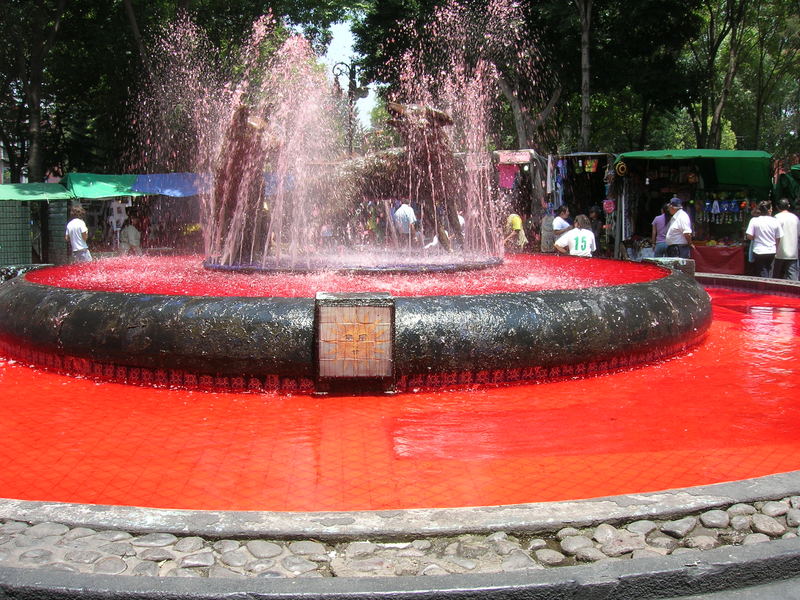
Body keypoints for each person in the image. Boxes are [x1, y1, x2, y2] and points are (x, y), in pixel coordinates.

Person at [746, 201, 783, 278]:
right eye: (771, 208)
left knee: (761, 271)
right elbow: (778, 237)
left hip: (759, 250)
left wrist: (757, 237)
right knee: (769, 271)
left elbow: (749, 236)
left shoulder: (754, 220)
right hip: (771, 250)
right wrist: (776, 249)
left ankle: (764, 287)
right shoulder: (775, 221)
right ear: (769, 210)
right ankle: (769, 286)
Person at [773, 198, 799, 280]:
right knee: (793, 277)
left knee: (775, 276)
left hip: (779, 252)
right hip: (793, 252)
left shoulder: (776, 218)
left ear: (777, 207)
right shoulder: (795, 218)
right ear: (788, 206)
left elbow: (774, 235)